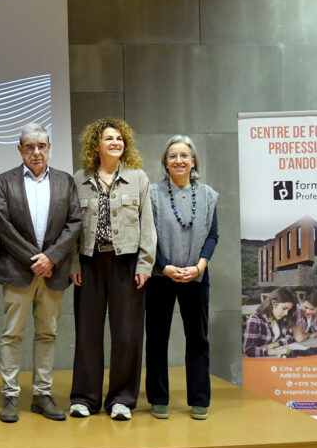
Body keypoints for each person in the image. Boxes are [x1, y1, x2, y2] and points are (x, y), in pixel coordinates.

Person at [0, 124, 81, 423]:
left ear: (49, 146)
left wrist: (51, 258)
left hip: (53, 273)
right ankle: (10, 395)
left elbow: (74, 222)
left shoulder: (65, 182)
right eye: (29, 146)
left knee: (47, 334)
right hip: (18, 271)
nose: (36, 152)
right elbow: (3, 226)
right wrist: (35, 259)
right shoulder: (5, 182)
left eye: (41, 145)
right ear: (19, 149)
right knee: (12, 335)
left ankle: (42, 394)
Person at [69, 117, 156, 421]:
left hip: (126, 264)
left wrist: (145, 264)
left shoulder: (138, 178)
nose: (116, 142)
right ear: (96, 145)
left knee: (127, 335)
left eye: (119, 138)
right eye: (109, 138)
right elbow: (72, 228)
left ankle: (121, 399)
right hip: (90, 263)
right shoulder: (79, 179)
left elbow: (148, 226)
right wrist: (74, 262)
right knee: (88, 333)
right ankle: (84, 398)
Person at [144, 135, 219, 421]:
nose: (179, 160)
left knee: (198, 338)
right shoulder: (152, 194)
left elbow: (212, 236)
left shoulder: (209, 195)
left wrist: (199, 268)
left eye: (184, 155)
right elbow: (147, 236)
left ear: (193, 160)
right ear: (165, 161)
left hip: (196, 276)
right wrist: (164, 266)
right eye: (173, 156)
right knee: (157, 338)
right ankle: (159, 398)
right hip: (161, 275)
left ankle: (200, 400)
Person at [243, 288, 297, 357]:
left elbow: (289, 338)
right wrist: (275, 351)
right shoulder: (255, 319)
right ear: (274, 303)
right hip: (261, 362)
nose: (286, 313)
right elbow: (248, 350)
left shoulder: (281, 317)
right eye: (284, 308)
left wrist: (273, 344)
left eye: (288, 310)